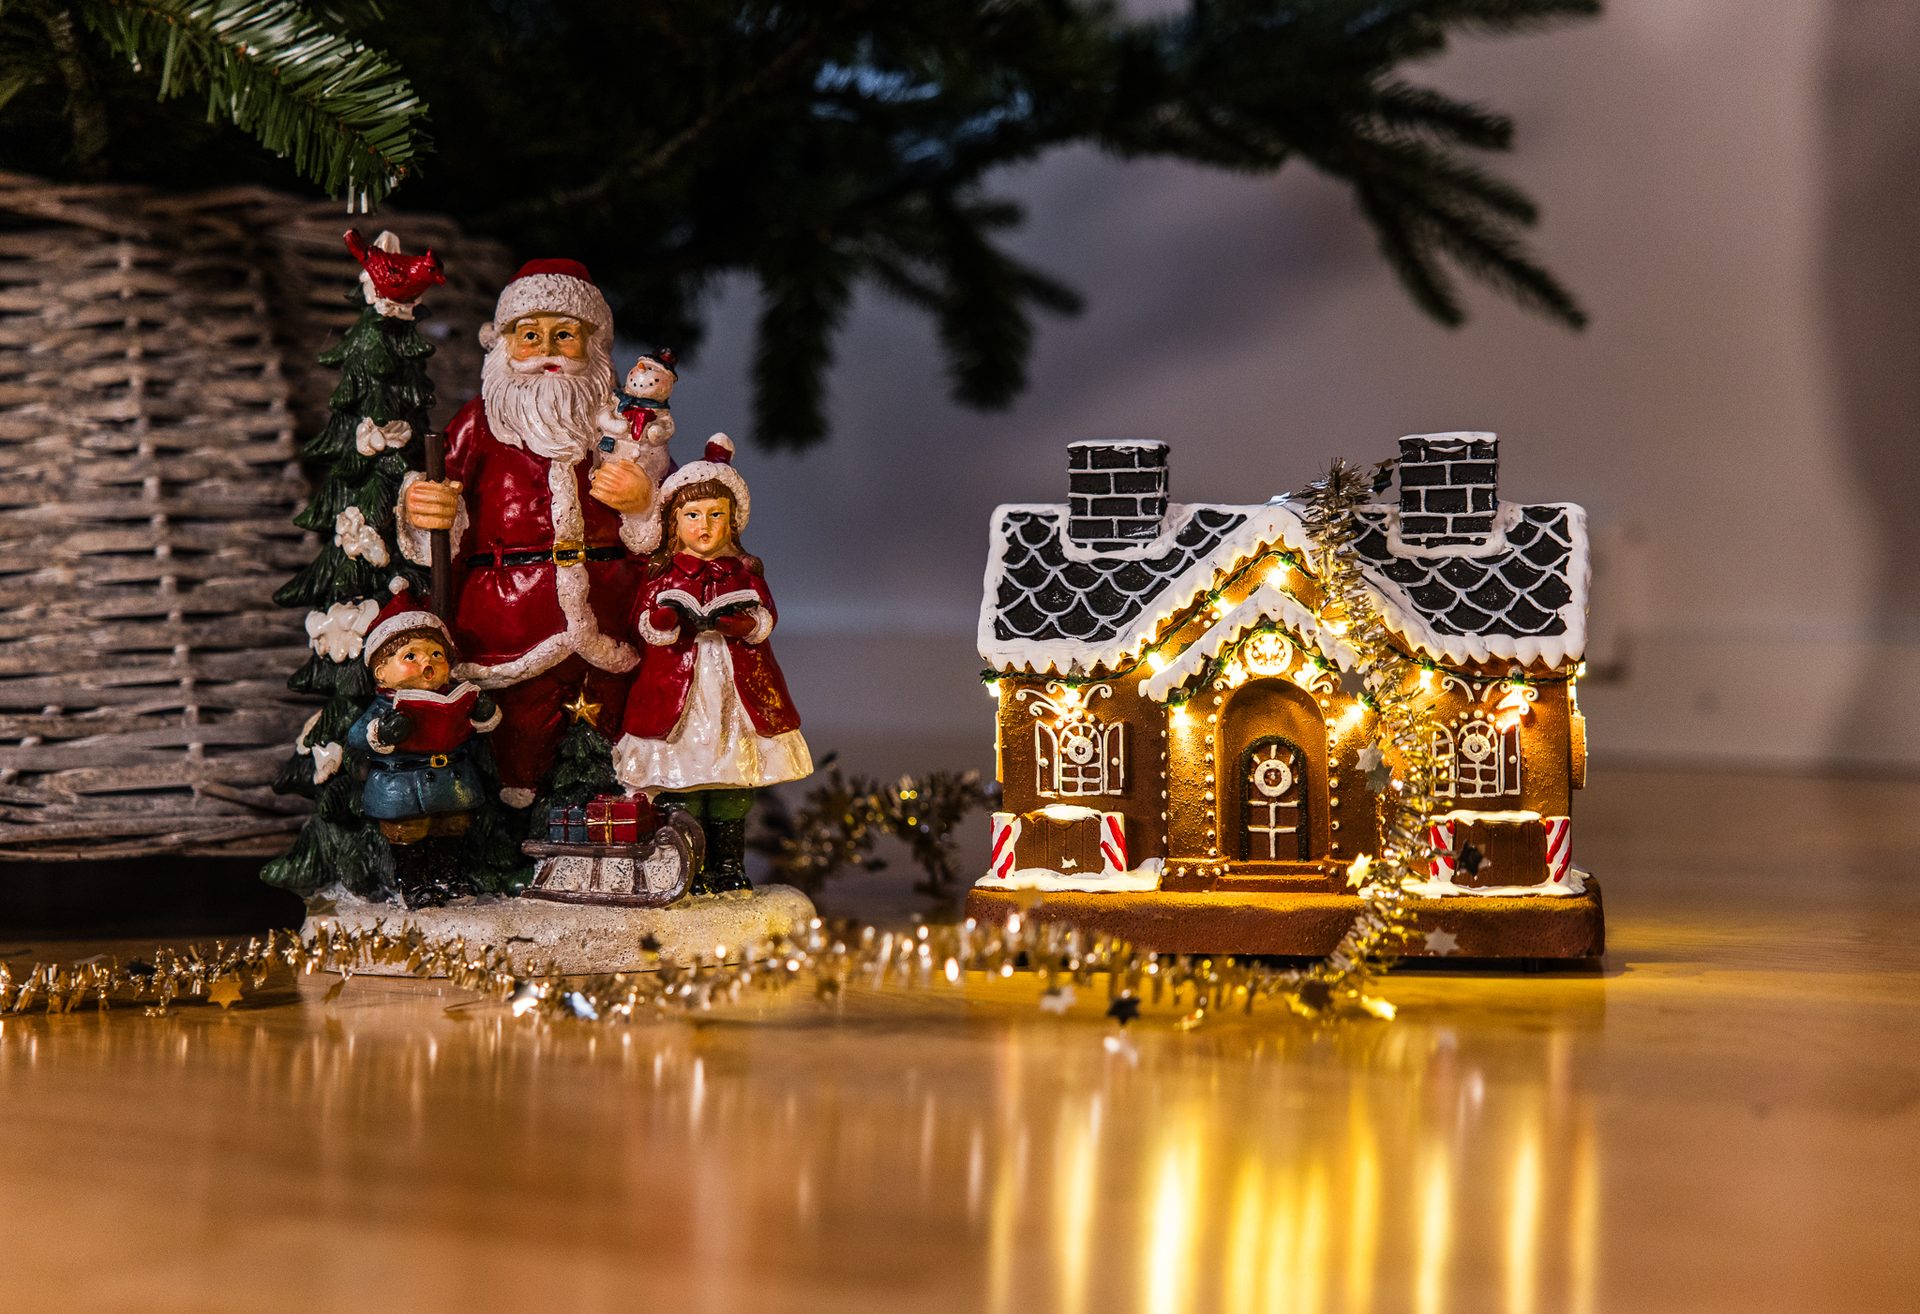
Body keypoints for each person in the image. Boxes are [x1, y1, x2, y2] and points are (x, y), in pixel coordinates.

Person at [393, 259, 655, 809]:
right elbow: (445, 505)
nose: (548, 352)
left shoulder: (622, 428)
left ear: (594, 343)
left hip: (609, 615)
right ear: (503, 345)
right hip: (506, 624)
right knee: (516, 736)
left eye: (565, 336)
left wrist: (642, 502)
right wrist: (426, 508)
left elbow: (659, 522)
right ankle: (514, 827)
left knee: (610, 722)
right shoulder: (480, 421)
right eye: (530, 337)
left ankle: (610, 818)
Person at [612, 436, 811, 893]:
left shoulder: (744, 572)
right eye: (693, 516)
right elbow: (643, 623)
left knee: (730, 779)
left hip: (733, 692)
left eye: (715, 515)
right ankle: (691, 866)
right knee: (687, 782)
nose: (705, 526)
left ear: (732, 521)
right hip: (678, 693)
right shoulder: (661, 575)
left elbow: (766, 618)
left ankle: (728, 865)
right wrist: (664, 619)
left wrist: (741, 623)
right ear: (674, 523)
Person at [347, 591, 502, 904]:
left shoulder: (453, 695)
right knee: (409, 833)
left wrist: (482, 714)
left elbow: (470, 731)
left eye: (436, 655)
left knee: (452, 828)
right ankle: (415, 884)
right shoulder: (384, 707)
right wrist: (384, 732)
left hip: (451, 782)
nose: (427, 664)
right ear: (381, 672)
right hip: (402, 786)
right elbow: (356, 735)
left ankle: (447, 878)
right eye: (411, 657)